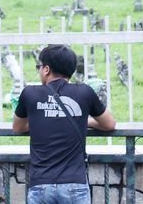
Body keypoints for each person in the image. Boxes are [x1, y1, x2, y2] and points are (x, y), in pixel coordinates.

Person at [12, 44, 116, 203]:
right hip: (75, 184)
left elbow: (18, 127)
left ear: (46, 69)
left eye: (39, 67)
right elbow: (109, 124)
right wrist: (87, 122)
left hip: (41, 184)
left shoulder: (30, 93)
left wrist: (44, 119)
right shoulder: (84, 92)